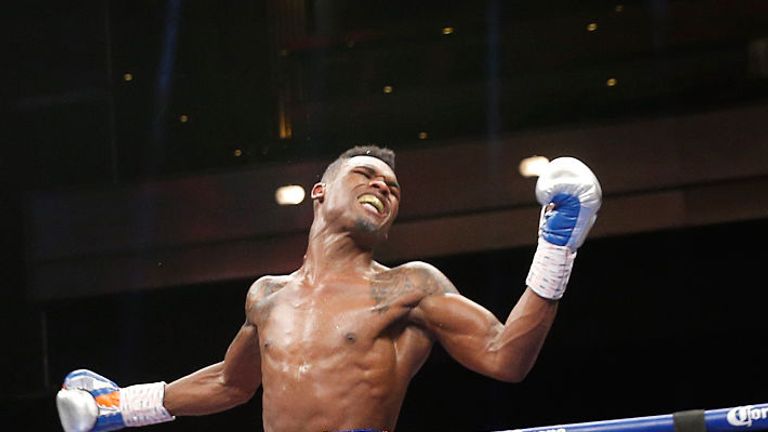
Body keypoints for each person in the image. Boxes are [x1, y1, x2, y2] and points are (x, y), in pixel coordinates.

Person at [56, 145, 602, 432]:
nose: (382, 188)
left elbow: (505, 358)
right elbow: (230, 383)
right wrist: (123, 406)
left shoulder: (407, 287)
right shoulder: (267, 296)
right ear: (320, 192)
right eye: (366, 176)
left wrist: (557, 249)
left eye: (392, 188)